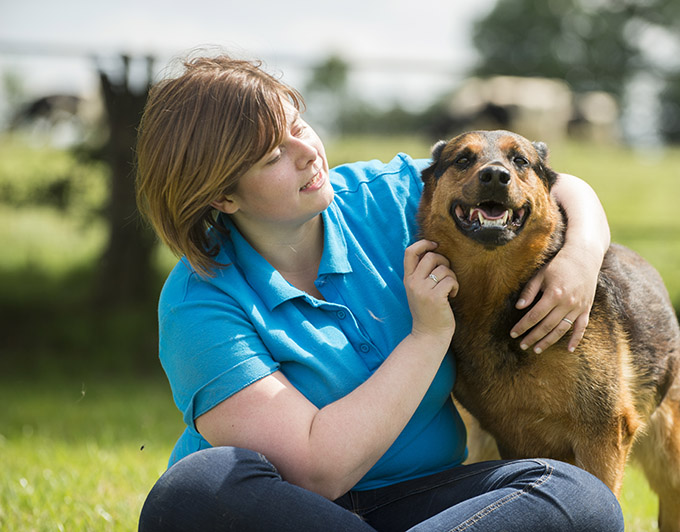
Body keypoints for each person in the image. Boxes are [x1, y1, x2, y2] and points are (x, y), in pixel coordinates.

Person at [135, 53, 623, 532]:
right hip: (288, 514)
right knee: (192, 492)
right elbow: (314, 471)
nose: (307, 153)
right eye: (272, 155)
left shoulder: (389, 197)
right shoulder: (198, 303)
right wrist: (428, 336)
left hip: (435, 507)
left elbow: (548, 183)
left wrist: (579, 256)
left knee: (577, 494)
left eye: (298, 126)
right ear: (223, 196)